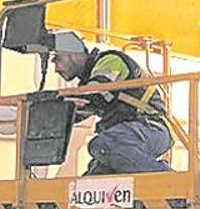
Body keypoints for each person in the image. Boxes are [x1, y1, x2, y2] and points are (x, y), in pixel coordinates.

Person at [51, 31, 173, 175]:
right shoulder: (88, 81)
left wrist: (54, 100)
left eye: (57, 59)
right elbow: (78, 109)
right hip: (127, 134)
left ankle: (171, 183)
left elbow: (93, 95)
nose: (56, 68)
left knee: (103, 145)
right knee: (90, 185)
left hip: (151, 128)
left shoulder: (110, 60)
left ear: (73, 54)